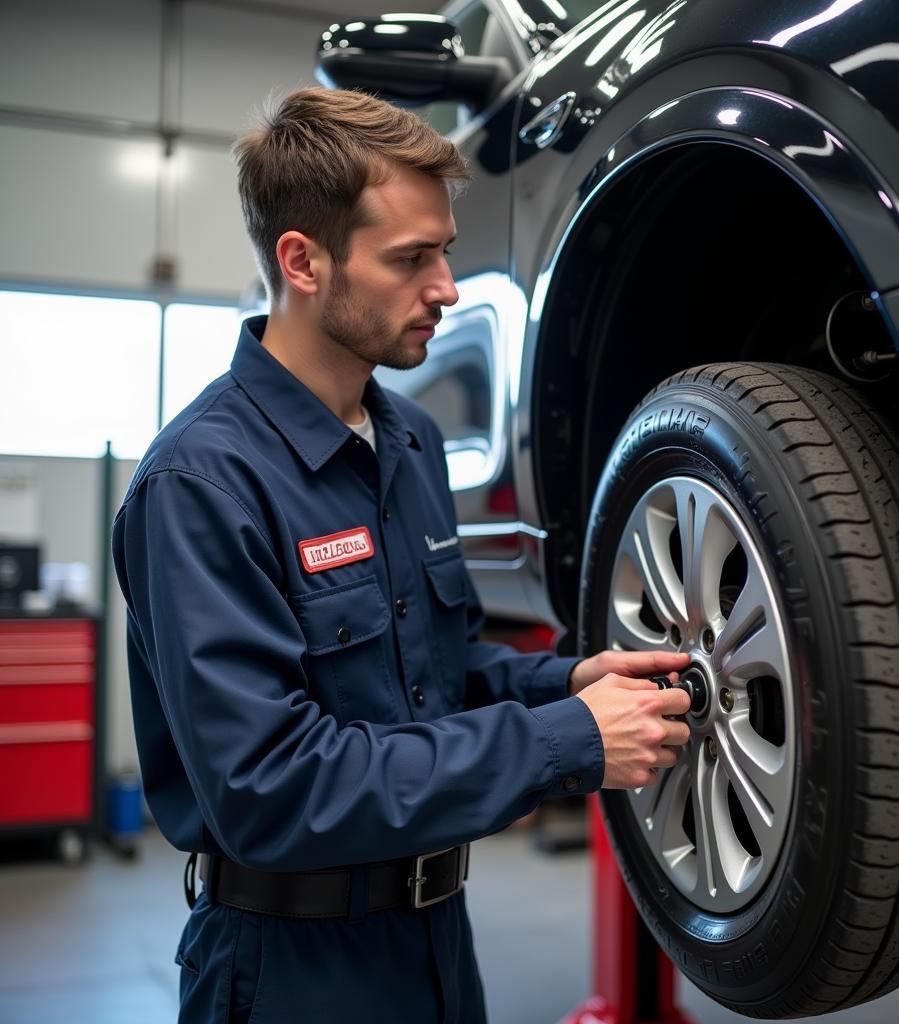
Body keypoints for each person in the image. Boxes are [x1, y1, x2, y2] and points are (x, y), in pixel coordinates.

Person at [111, 87, 692, 1024]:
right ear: (302, 260)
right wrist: (569, 740)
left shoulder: (410, 439)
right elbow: (272, 785)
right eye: (410, 258)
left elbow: (437, 673)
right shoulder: (201, 485)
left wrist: (568, 682)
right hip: (290, 969)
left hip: (438, 944)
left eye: (446, 249)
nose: (449, 288)